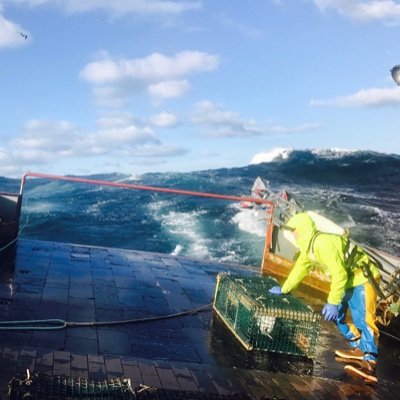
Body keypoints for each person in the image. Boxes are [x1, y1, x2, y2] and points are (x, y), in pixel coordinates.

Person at [269, 212, 381, 384]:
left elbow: (339, 273)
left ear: (302, 230)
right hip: (348, 281)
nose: (293, 235)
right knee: (339, 317)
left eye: (294, 231)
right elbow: (300, 269)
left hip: (363, 277)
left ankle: (369, 358)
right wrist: (285, 289)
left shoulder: (323, 243)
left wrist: (333, 301)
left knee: (364, 318)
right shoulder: (308, 249)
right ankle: (358, 347)